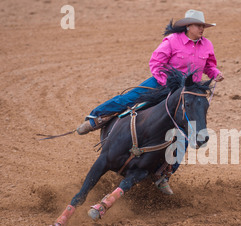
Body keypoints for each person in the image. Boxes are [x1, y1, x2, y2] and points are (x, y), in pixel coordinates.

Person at [76, 9, 224, 194]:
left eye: (203, 26)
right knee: (129, 98)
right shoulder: (172, 41)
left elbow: (209, 65)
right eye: (199, 25)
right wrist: (165, 84)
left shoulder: (207, 44)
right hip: (163, 82)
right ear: (188, 26)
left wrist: (215, 73)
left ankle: (163, 174)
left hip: (186, 92)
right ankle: (96, 119)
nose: (202, 29)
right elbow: (156, 62)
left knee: (184, 135)